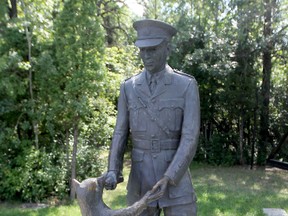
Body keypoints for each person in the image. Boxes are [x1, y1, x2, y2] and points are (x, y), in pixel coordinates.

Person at [104, 19, 200, 216]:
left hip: (176, 179)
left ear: (167, 49)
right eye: (142, 50)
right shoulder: (129, 87)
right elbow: (120, 132)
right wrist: (113, 170)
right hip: (140, 180)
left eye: (153, 49)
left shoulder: (186, 86)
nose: (146, 56)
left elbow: (189, 137)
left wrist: (170, 177)